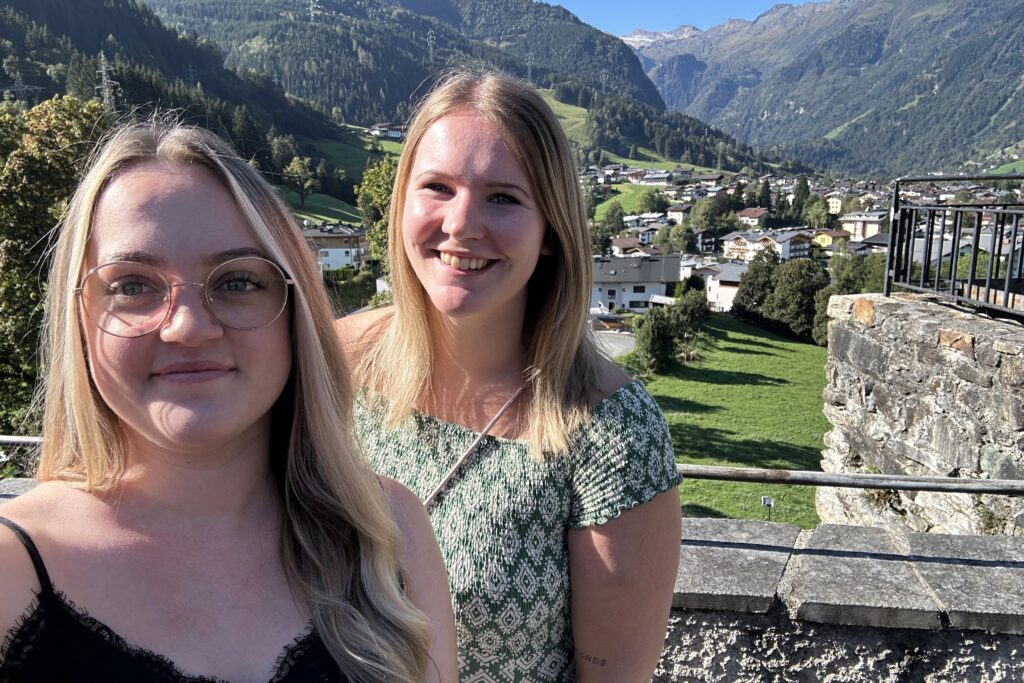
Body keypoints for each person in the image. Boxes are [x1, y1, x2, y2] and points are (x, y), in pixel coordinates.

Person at [0, 121, 458, 682]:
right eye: (132, 285)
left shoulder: (390, 537)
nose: (188, 327)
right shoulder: (11, 570)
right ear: (79, 318)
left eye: (237, 281)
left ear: (295, 313)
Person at [340, 69, 682, 681]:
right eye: (438, 187)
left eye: (504, 197)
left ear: (551, 231)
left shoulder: (609, 434)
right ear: (401, 206)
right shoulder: (334, 363)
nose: (463, 223)